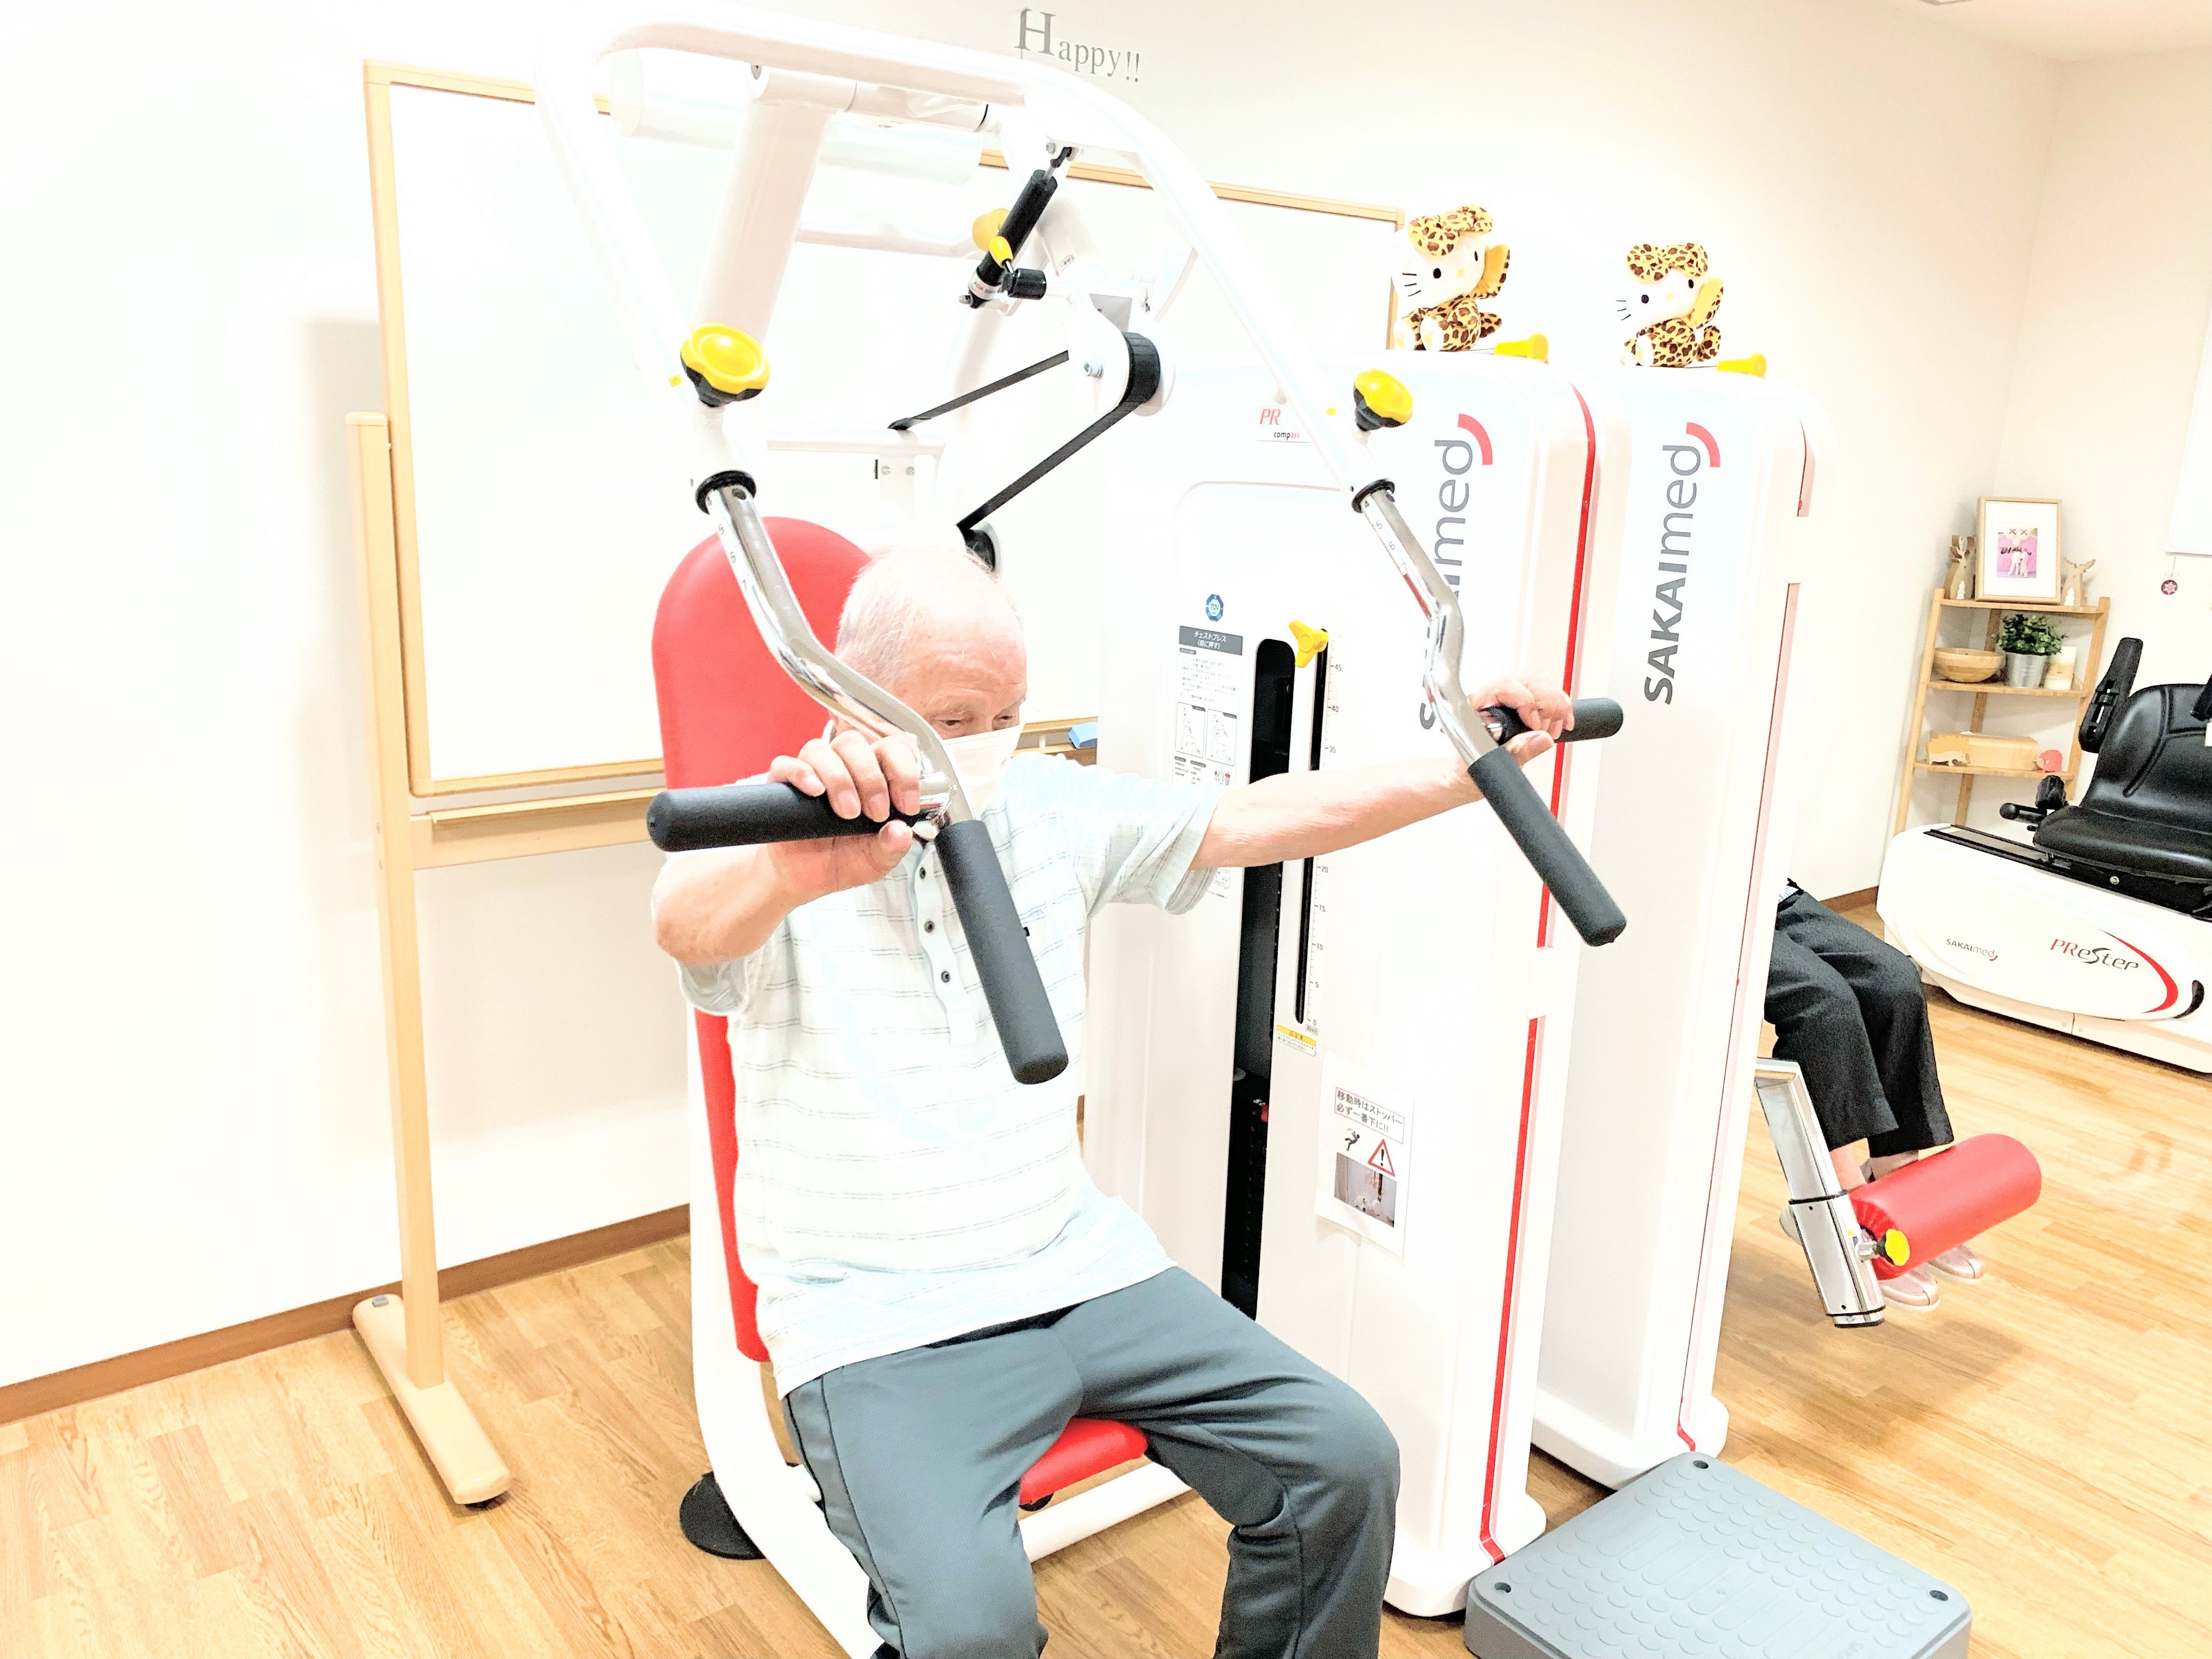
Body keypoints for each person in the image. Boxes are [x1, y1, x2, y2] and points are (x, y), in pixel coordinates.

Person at [651, 545, 1571, 1659]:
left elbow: (1256, 816)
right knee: (972, 1633)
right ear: (852, 697)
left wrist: (1462, 768)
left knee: (1343, 1458)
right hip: (879, 1320)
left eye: (1006, 713)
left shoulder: (1045, 804)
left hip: (1080, 1266)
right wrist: (790, 870)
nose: (986, 740)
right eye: (954, 716)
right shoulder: (782, 828)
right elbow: (682, 922)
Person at [1765, 878, 1984, 1310]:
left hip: (1771, 893)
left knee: (1894, 981)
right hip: (1699, 900)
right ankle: (1838, 1203)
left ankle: (1896, 1181)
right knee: (1824, 1004)